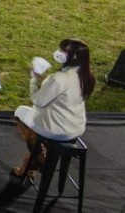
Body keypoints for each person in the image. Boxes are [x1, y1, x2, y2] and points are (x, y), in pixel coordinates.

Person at [12, 39, 96, 177]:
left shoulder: (59, 78)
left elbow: (38, 101)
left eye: (63, 51)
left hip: (55, 129)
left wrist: (34, 79)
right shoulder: (87, 76)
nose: (59, 52)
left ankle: (38, 159)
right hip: (76, 128)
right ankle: (33, 161)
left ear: (71, 56)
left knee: (20, 111)